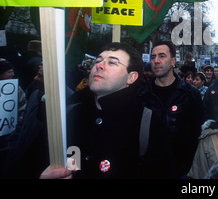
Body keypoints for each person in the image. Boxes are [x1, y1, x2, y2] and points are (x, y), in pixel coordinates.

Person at [38, 42, 146, 179]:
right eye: (98, 61)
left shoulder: (146, 122)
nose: (99, 66)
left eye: (112, 63)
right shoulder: (68, 115)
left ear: (131, 77)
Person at [139, 40, 204, 179]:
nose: (156, 61)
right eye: (153, 57)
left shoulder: (191, 94)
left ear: (173, 61)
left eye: (162, 56)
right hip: (148, 170)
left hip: (182, 170)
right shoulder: (141, 94)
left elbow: (197, 133)